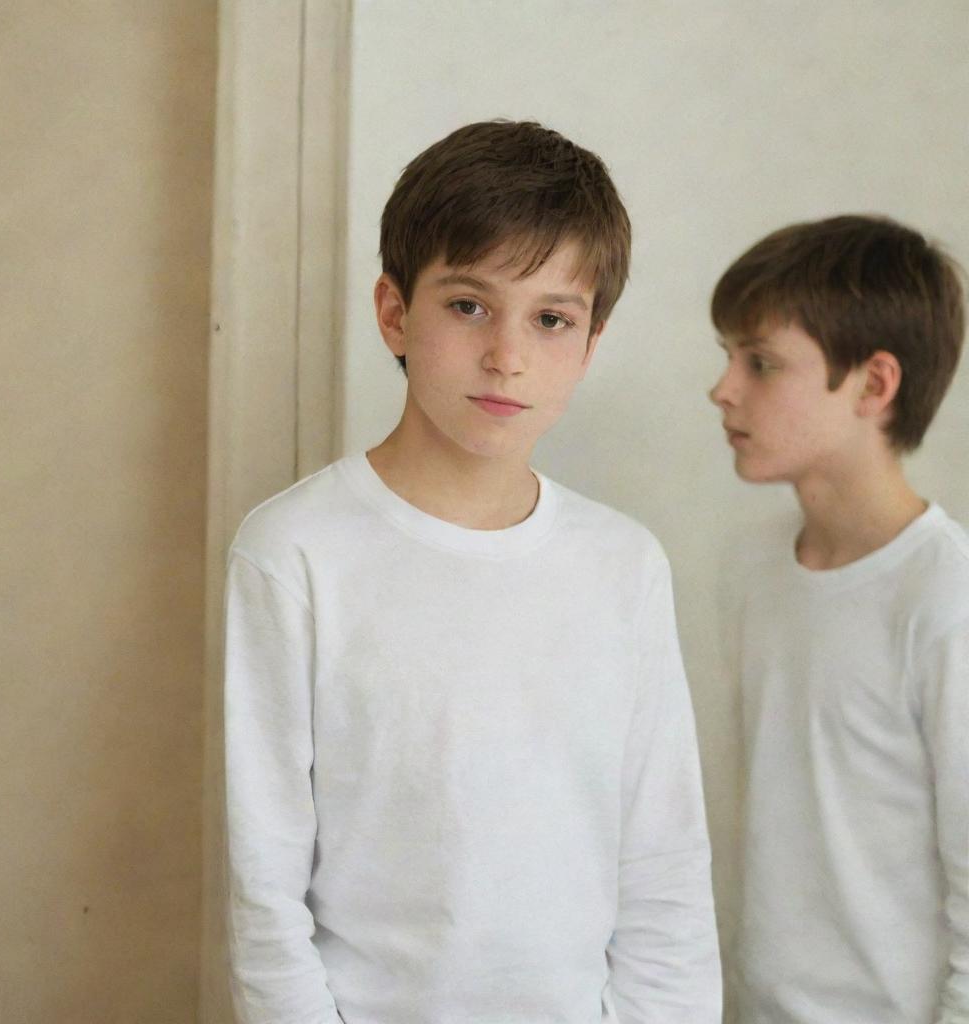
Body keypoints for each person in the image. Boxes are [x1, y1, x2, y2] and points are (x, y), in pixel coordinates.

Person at [224, 119, 721, 1024]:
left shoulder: (623, 566)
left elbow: (665, 870)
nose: (508, 355)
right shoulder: (294, 551)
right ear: (393, 312)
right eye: (468, 305)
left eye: (551, 319)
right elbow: (265, 890)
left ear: (590, 343)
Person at [709, 214, 968, 1023]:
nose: (723, 389)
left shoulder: (945, 595)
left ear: (873, 384)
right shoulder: (751, 566)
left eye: (761, 363)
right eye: (728, 358)